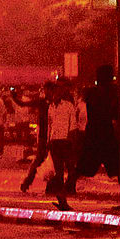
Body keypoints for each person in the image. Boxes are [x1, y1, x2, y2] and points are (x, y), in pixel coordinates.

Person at [65, 64, 120, 197]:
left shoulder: (91, 93)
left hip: (93, 134)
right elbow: (113, 113)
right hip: (105, 134)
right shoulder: (107, 93)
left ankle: (64, 191)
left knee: (83, 168)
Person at [12, 81, 53, 193]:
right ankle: (27, 182)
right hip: (44, 135)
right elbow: (23, 104)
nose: (47, 92)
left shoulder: (55, 103)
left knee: (53, 161)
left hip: (54, 135)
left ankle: (50, 185)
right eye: (46, 90)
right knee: (40, 159)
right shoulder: (42, 102)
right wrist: (14, 97)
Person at [46, 81, 77, 210]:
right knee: (58, 173)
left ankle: (64, 193)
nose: (55, 94)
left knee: (72, 171)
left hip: (65, 141)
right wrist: (49, 140)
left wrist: (71, 140)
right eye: (54, 92)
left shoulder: (68, 106)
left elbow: (73, 124)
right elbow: (50, 125)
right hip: (55, 142)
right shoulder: (51, 107)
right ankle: (62, 199)